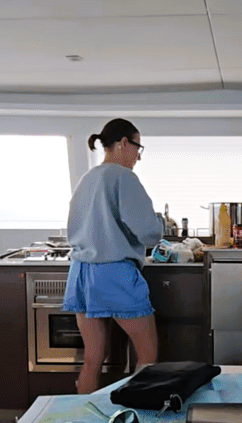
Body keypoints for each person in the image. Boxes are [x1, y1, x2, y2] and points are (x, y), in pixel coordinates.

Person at [64, 118, 163, 394]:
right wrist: (160, 222)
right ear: (123, 143)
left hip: (81, 273)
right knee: (147, 354)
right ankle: (136, 422)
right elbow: (148, 233)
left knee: (93, 359)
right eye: (137, 148)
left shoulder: (87, 179)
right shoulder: (123, 177)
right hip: (113, 272)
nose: (137, 157)